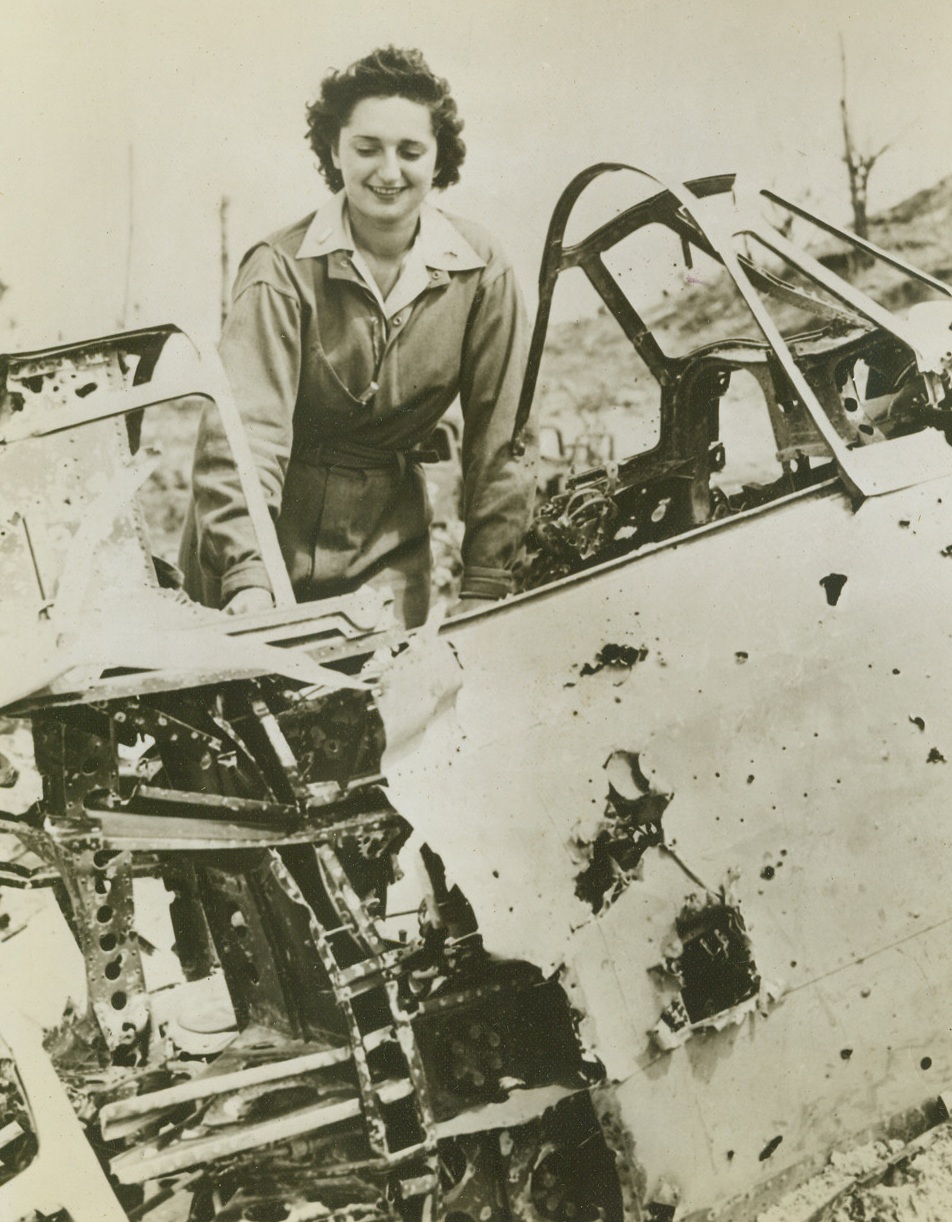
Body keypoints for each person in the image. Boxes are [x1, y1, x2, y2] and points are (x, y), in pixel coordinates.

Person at [179, 45, 536, 628]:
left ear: (439, 157)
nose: (388, 172)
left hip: (386, 544)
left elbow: (502, 438)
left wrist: (487, 583)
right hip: (264, 542)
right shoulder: (280, 267)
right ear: (333, 150)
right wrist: (247, 574)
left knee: (390, 705)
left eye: (410, 151)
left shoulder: (481, 269)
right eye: (367, 148)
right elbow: (244, 435)